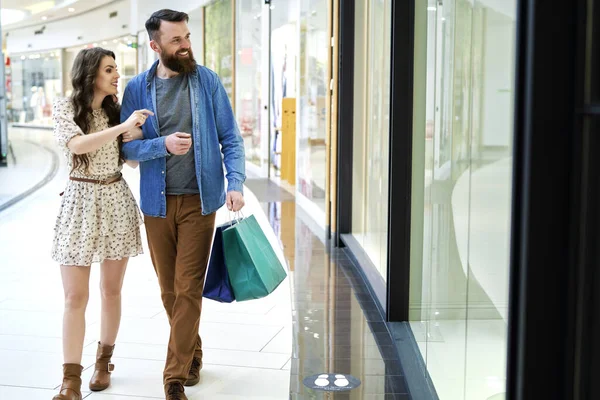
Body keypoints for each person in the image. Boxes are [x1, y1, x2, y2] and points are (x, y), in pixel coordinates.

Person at [121, 9, 246, 400]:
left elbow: (231, 137)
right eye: (176, 40)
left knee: (188, 287)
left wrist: (236, 182)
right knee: (169, 291)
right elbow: (126, 148)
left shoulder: (206, 81)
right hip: (156, 205)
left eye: (187, 37)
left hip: (199, 200)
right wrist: (163, 145)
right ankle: (192, 351)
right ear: (156, 46)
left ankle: (173, 378)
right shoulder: (137, 89)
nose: (186, 45)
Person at [51, 47, 151, 400]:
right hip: (79, 204)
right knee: (74, 296)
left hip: (115, 199)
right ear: (90, 73)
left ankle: (103, 362)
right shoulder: (66, 108)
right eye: (109, 69)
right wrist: (125, 127)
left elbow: (134, 164)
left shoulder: (117, 112)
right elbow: (78, 146)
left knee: (111, 290)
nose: (116, 75)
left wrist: (139, 140)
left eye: (116, 69)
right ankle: (70, 381)